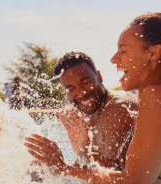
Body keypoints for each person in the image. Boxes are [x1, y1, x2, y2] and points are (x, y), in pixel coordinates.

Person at [25, 10, 161, 183]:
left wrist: (63, 169)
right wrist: (77, 156)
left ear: (153, 53)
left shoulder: (156, 96)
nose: (113, 59)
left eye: (123, 51)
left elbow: (133, 181)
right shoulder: (160, 95)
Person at [28, 52, 139, 181]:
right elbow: (92, 165)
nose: (81, 93)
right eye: (71, 89)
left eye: (86, 82)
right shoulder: (85, 110)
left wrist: (84, 152)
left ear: (99, 76)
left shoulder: (118, 109)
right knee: (36, 170)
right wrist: (50, 168)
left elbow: (119, 176)